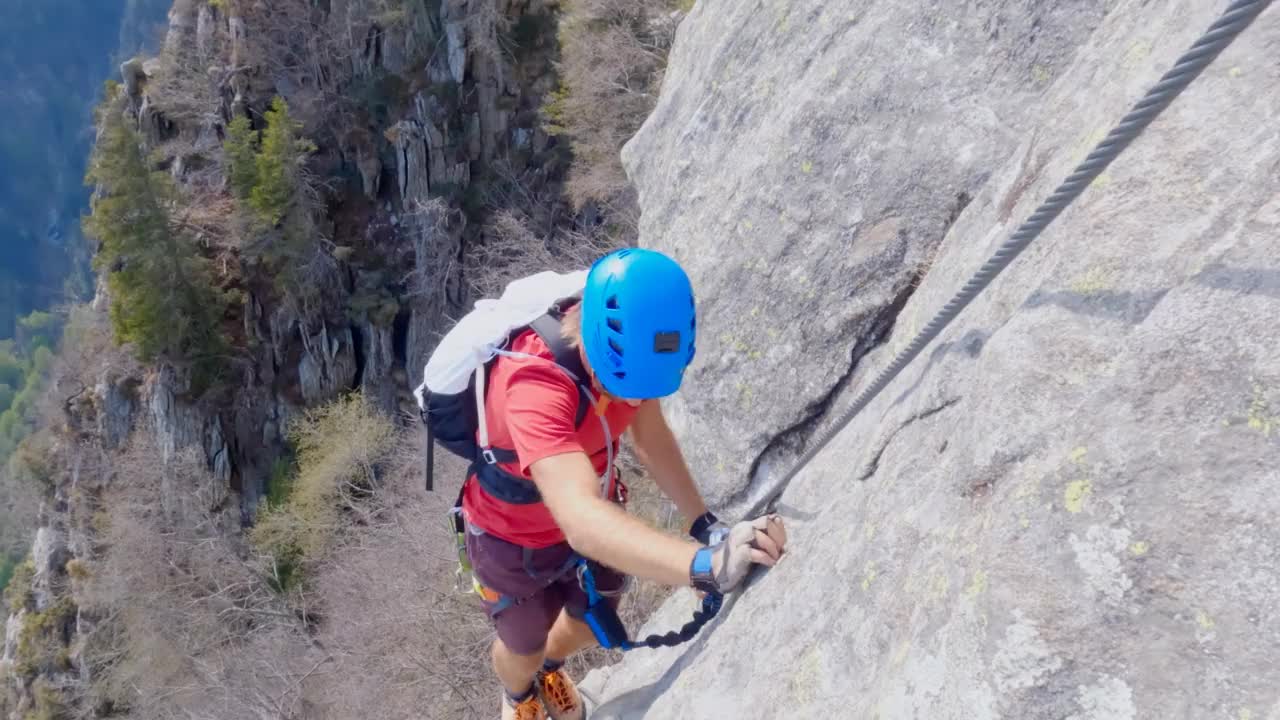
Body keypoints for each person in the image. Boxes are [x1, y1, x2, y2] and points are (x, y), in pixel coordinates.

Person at [459, 248, 789, 720]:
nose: (633, 397)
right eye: (623, 385)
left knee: (591, 620)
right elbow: (579, 515)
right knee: (523, 642)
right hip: (512, 540)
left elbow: (648, 433)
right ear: (593, 339)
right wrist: (702, 566)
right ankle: (519, 696)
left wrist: (705, 526)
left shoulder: (631, 354)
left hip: (595, 511)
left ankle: (552, 667)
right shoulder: (534, 383)